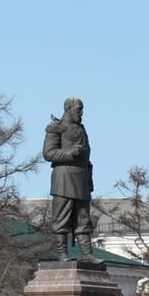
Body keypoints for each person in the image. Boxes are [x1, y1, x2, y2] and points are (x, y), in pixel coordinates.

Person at [43, 97, 102, 263]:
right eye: (78, 110)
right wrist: (70, 153)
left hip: (82, 179)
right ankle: (62, 253)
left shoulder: (81, 129)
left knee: (83, 218)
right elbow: (48, 153)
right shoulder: (56, 127)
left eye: (82, 110)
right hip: (63, 178)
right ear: (68, 110)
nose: (81, 113)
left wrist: (89, 180)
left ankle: (87, 254)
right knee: (61, 217)